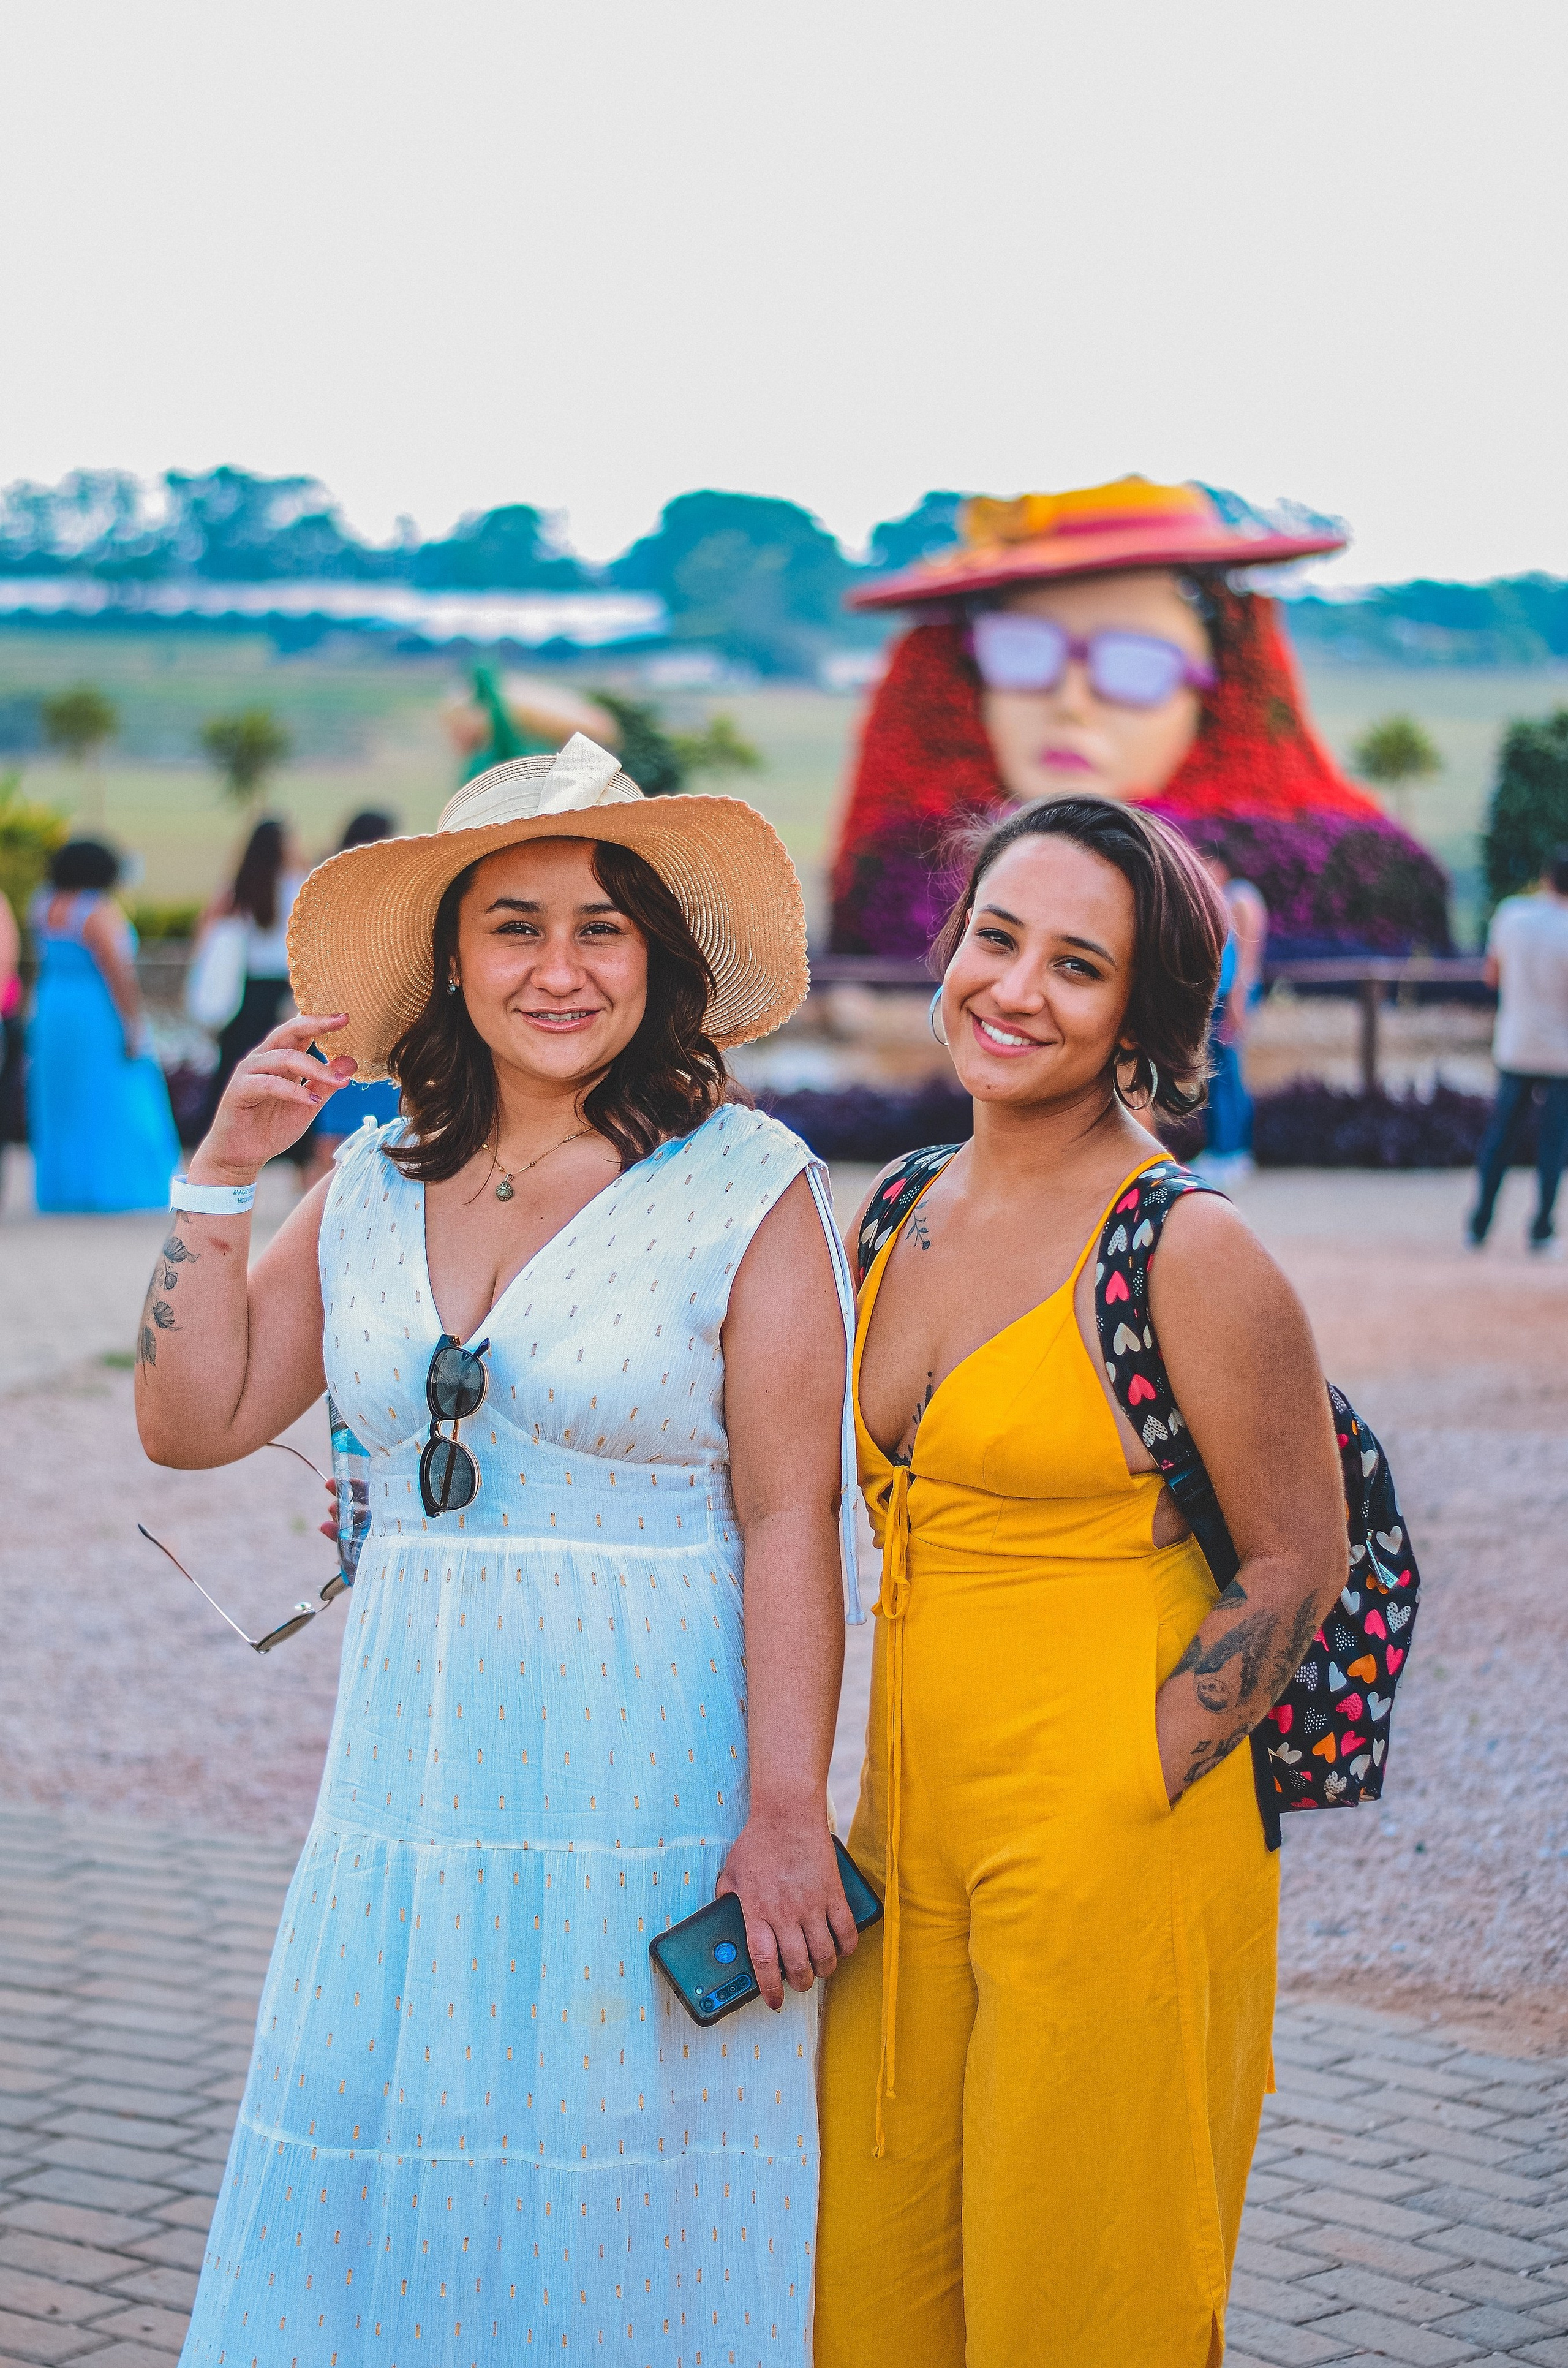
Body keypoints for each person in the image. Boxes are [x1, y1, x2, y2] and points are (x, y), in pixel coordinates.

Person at [134, 734, 864, 2361]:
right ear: (452, 965)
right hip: (416, 1788)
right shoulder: (369, 1186)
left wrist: (786, 1812)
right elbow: (189, 1422)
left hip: (656, 1789)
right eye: (514, 925)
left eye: (602, 926)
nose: (559, 966)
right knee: (408, 2189)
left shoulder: (748, 1186)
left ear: (659, 963)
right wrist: (219, 1176)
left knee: (629, 2202)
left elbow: (789, 1518)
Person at [815, 796, 1348, 2366]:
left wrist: (1136, 1772)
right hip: (898, 1848)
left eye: (1074, 965)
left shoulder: (1183, 1249)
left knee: (1079, 2310)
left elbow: (1292, 1559)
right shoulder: (896, 1206)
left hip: (1112, 1854)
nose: (1012, 989)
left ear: (1142, 1013)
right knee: (862, 2298)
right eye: (994, 937)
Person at [828, 475, 1449, 964]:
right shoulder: (904, 869)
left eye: (1133, 663)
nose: (1070, 702)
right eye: (1022, 651)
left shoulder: (1352, 874)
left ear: (1220, 683)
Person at [27, 838, 178, 1212]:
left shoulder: (42, 904)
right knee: (120, 1093)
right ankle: (119, 1186)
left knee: (64, 1099)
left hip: (54, 1005)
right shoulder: (97, 911)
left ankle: (66, 1188)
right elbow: (119, 975)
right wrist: (134, 1025)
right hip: (95, 1011)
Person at [1468, 843, 1568, 1254]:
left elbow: (1491, 975)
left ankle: (1480, 1223)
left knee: (1500, 1138)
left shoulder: (1511, 914)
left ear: (1546, 877)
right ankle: (1542, 1226)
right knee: (1554, 1144)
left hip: (1515, 1044)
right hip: (1561, 1052)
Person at [298, 809, 404, 1185]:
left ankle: (321, 1197)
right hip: (376, 1009)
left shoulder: (326, 883)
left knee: (335, 1100)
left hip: (341, 1007)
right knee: (364, 1101)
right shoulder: (384, 890)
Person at [197, 815, 305, 1118]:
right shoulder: (298, 886)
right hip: (283, 987)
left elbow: (207, 930)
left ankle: (223, 1123)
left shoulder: (241, 887)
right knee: (284, 1059)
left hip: (246, 987)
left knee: (237, 1061)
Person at [1196, 836, 1270, 1179]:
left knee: (1228, 1072)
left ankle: (1235, 1152)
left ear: (1220, 863)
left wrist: (1239, 1001)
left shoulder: (1240, 896)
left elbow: (1248, 955)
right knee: (1216, 1071)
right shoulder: (1223, 898)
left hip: (1232, 998)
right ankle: (1220, 1149)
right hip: (1221, 998)